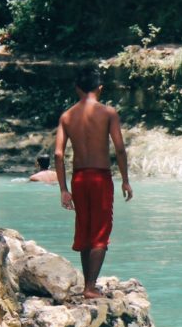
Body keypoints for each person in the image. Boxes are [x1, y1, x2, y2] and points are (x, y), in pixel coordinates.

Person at [54, 68, 132, 297]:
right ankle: (90, 286)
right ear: (100, 88)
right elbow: (119, 148)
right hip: (100, 178)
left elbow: (58, 155)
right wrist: (125, 180)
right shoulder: (108, 113)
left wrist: (63, 189)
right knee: (100, 231)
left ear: (77, 88)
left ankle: (88, 282)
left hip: (79, 178)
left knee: (84, 227)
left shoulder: (67, 116)